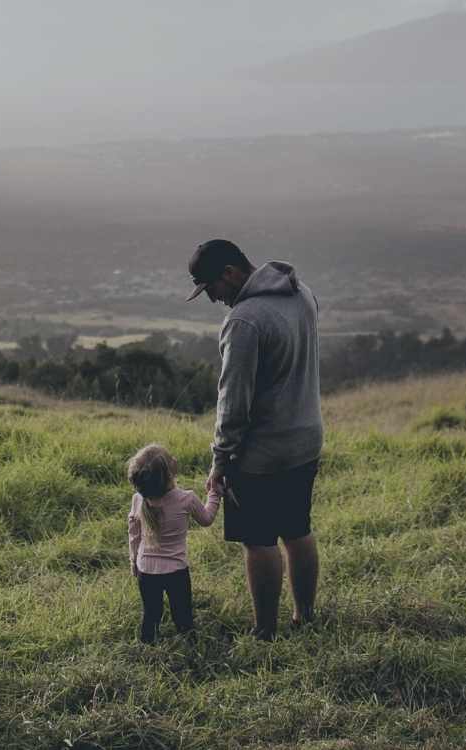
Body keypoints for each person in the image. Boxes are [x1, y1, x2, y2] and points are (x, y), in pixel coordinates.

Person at [185, 238, 323, 641]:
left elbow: (233, 400)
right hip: (306, 438)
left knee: (258, 540)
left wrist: (220, 461)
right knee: (297, 529)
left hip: (263, 450)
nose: (214, 299)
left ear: (230, 273)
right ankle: (305, 618)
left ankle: (265, 632)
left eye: (211, 288)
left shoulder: (245, 320)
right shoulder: (302, 294)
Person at [126, 443, 222, 643]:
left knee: (151, 614)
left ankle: (147, 647)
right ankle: (191, 648)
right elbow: (207, 519)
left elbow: (134, 534)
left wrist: (133, 560)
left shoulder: (138, 499)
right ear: (170, 472)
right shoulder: (186, 499)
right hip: (176, 571)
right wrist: (214, 494)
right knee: (183, 615)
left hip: (146, 570)